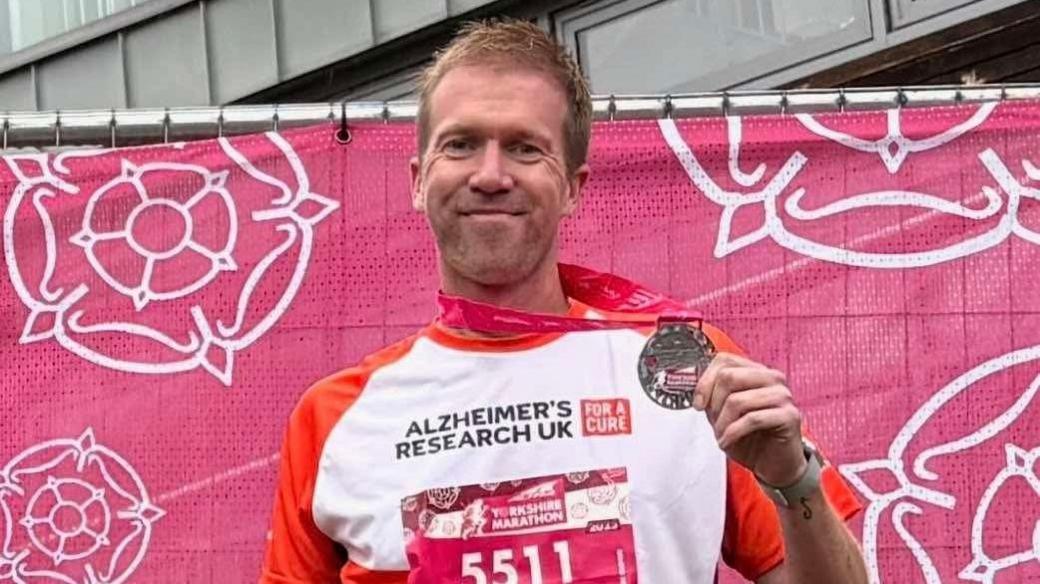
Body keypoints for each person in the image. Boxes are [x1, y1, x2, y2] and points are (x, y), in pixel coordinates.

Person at [261, 19, 868, 584]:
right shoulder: (332, 420)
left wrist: (793, 481)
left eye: (526, 148)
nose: (491, 174)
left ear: (573, 188)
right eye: (461, 144)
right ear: (419, 180)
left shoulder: (686, 366)